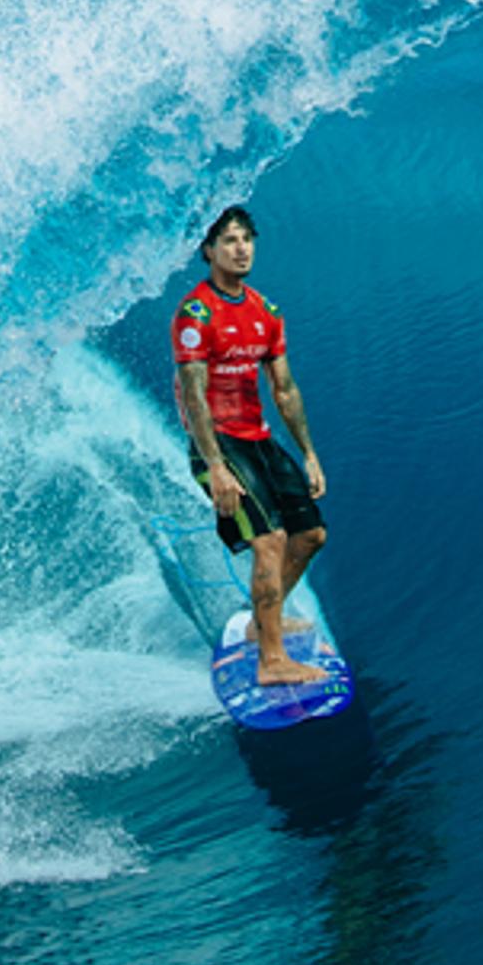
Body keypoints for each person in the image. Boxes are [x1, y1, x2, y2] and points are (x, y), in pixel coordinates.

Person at [172, 203, 332, 687]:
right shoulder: (195, 313)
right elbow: (194, 397)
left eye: (247, 239)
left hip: (258, 439)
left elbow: (285, 389)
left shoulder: (266, 310)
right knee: (270, 541)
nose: (241, 249)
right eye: (229, 241)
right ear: (208, 251)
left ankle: (266, 620)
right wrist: (217, 468)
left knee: (310, 537)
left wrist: (308, 453)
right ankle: (271, 661)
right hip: (217, 445)